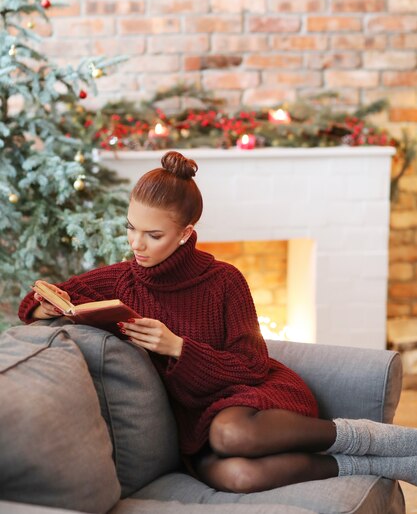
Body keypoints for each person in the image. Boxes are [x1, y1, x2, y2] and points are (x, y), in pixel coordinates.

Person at [19, 150, 417, 493]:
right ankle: (382, 466)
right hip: (195, 426)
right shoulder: (121, 281)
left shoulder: (224, 280)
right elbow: (42, 296)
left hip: (252, 399)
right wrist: (45, 309)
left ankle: (384, 439)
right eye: (131, 228)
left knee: (232, 433)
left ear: (184, 233)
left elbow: (252, 365)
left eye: (153, 235)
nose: (136, 244)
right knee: (239, 476)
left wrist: (177, 347)